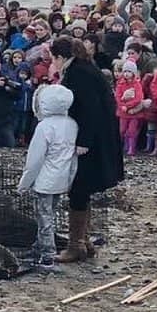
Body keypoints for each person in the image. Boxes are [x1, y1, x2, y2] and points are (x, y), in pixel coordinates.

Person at [48, 36, 124, 263]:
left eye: (54, 59)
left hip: (93, 140)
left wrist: (84, 141)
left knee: (79, 188)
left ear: (60, 57)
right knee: (84, 189)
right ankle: (85, 241)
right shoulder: (85, 67)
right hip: (100, 137)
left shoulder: (79, 73)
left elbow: (90, 108)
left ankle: (76, 246)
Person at [16, 85, 78, 267]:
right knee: (52, 213)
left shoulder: (44, 127)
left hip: (45, 180)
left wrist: (24, 183)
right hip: (63, 178)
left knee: (44, 216)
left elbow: (35, 160)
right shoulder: (72, 124)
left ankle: (48, 253)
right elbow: (73, 156)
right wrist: (71, 178)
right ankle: (39, 245)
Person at [114, 61, 146, 156]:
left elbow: (138, 98)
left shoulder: (137, 85)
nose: (126, 74)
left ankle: (131, 148)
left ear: (133, 73)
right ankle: (123, 146)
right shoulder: (120, 84)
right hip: (123, 112)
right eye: (125, 71)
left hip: (133, 112)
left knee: (131, 131)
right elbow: (118, 97)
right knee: (122, 130)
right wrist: (122, 106)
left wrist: (128, 106)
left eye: (129, 71)